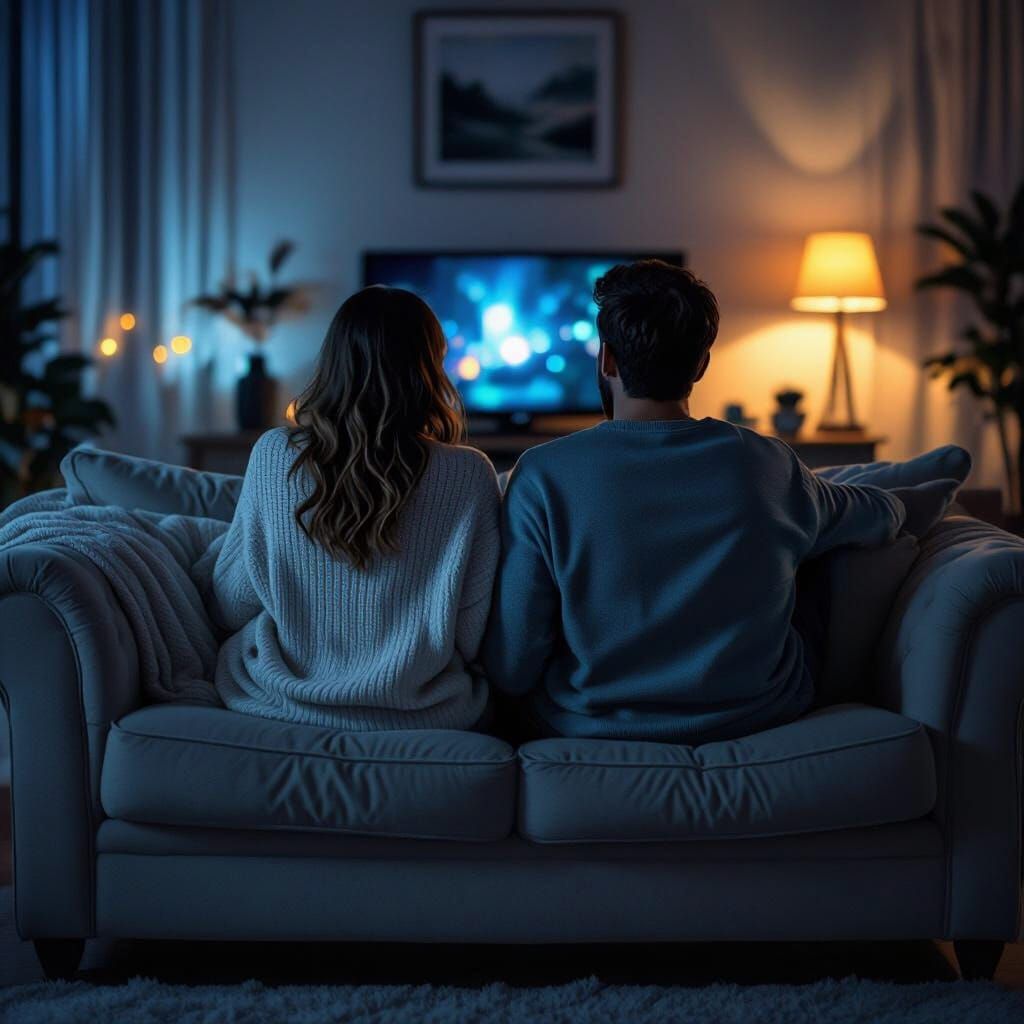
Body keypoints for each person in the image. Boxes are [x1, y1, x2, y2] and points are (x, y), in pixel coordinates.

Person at [482, 259, 905, 744]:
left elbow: (512, 667)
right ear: (702, 364)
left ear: (608, 361)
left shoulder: (540, 475)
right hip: (757, 716)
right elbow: (880, 513)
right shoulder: (767, 463)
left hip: (590, 725)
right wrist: (902, 499)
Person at [209, 286, 500, 730]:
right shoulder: (471, 473)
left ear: (332, 362)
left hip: (282, 699)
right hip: (428, 714)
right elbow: (471, 633)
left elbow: (231, 605)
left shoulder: (275, 455)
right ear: (430, 367)